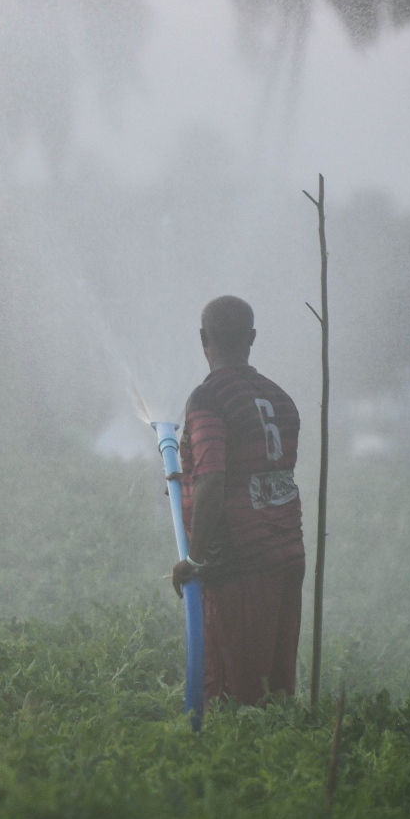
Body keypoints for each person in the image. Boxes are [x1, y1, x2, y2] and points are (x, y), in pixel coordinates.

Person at [169, 295, 304, 706]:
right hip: (287, 557)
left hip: (239, 568)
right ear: (252, 338)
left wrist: (195, 560)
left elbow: (212, 480)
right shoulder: (280, 398)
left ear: (202, 338)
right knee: (275, 695)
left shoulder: (209, 398)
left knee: (231, 697)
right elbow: (256, 469)